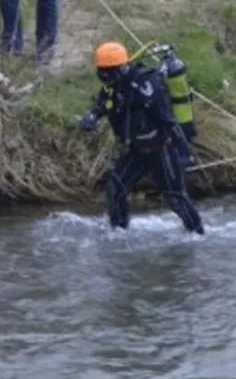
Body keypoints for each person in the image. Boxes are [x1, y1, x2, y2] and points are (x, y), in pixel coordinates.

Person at [79, 41, 205, 236]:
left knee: (174, 197)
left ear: (121, 68)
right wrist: (92, 117)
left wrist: (184, 152)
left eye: (108, 73)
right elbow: (103, 103)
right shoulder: (112, 86)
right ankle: (118, 233)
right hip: (136, 149)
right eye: (101, 73)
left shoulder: (147, 85)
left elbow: (168, 120)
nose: (105, 78)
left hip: (161, 148)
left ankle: (198, 234)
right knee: (115, 188)